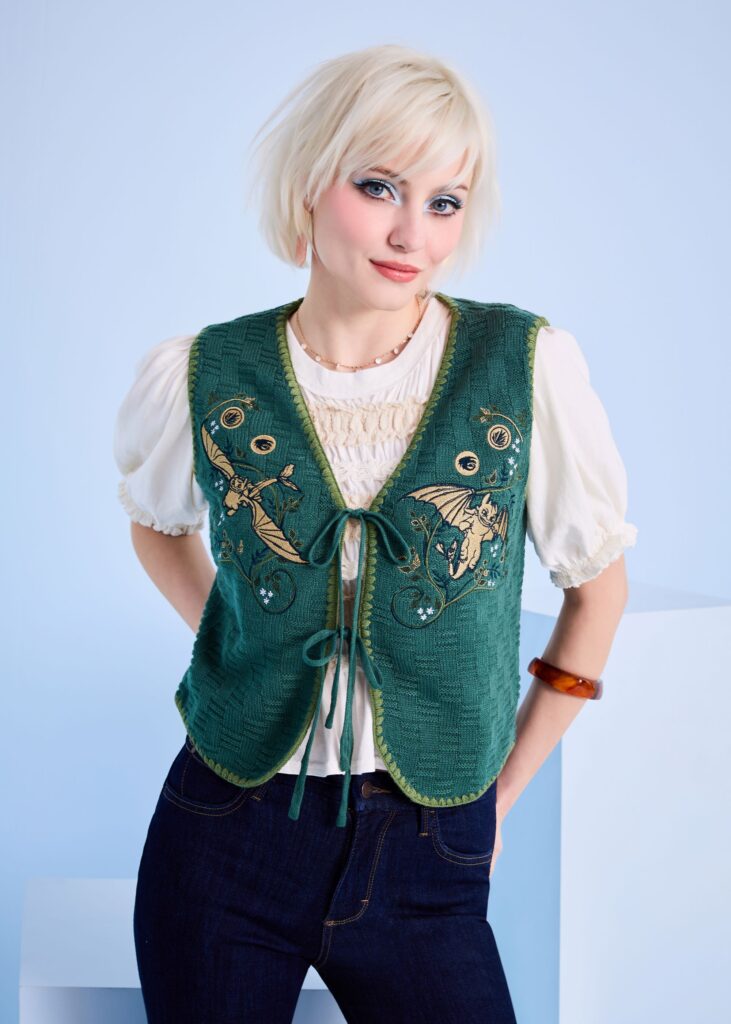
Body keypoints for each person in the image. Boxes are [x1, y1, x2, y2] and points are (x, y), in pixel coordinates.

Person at [114, 43, 638, 1024]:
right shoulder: (202, 371)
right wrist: (245, 639)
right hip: (223, 830)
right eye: (377, 187)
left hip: (428, 843)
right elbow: (156, 527)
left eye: (444, 201)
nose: (411, 233)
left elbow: (596, 590)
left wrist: (497, 796)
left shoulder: (520, 364)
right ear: (310, 185)